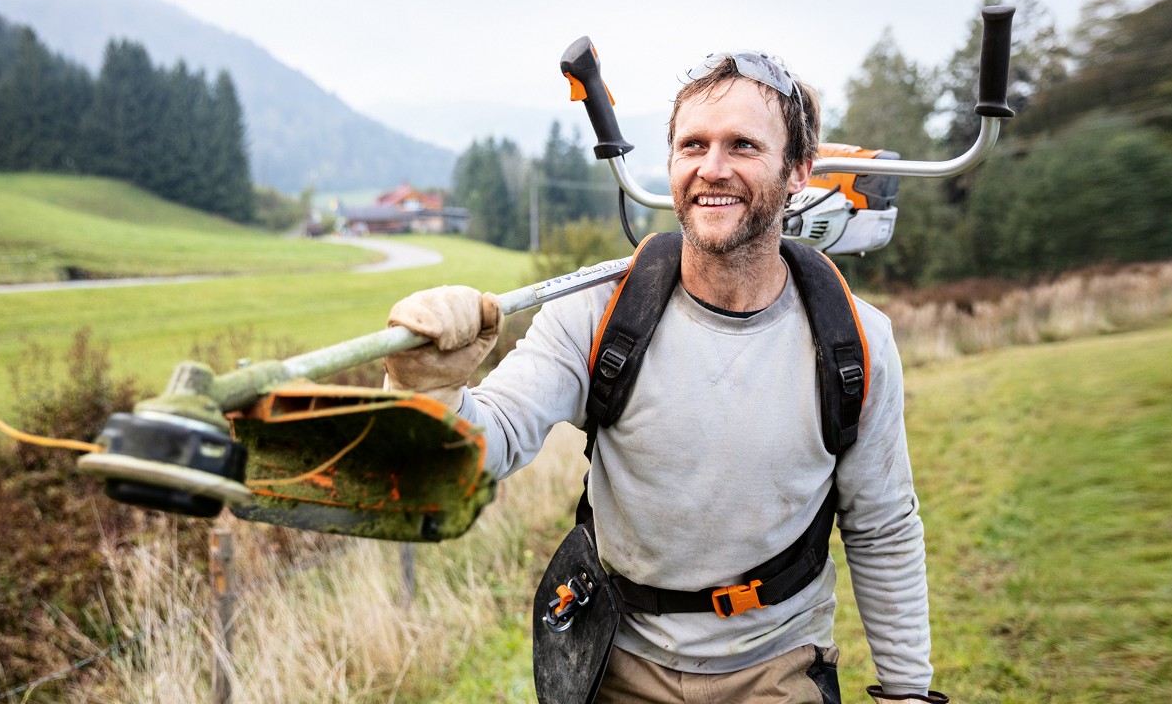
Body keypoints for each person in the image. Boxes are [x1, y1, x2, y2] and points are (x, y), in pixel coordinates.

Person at [385, 51, 945, 703]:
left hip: (778, 664)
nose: (713, 168)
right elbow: (493, 438)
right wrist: (431, 387)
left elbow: (882, 527)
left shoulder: (855, 341)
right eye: (693, 145)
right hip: (617, 660)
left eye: (742, 145)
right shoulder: (598, 312)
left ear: (798, 170)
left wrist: (908, 691)